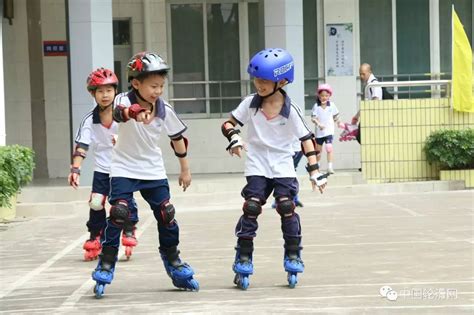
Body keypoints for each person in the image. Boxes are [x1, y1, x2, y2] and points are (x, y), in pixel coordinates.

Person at [91, 52, 199, 298]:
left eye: (161, 86)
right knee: (119, 212)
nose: (158, 91)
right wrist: (135, 112)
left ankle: (173, 260)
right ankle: (106, 262)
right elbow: (119, 113)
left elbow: (177, 138)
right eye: (153, 86)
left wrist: (185, 168)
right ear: (136, 82)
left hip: (152, 169)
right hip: (123, 168)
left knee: (166, 214)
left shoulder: (164, 109)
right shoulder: (122, 99)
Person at [221, 48, 328, 290]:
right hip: (257, 163)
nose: (258, 84)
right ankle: (243, 257)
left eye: (264, 80)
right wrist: (234, 137)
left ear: (281, 81)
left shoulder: (291, 110)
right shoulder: (250, 104)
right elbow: (228, 123)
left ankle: (292, 254)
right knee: (251, 207)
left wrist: (314, 171)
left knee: (286, 207)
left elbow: (306, 139)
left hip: (282, 164)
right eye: (257, 79)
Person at [68, 68, 119, 261]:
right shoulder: (89, 120)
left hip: (124, 168)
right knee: (96, 203)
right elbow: (82, 146)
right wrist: (75, 169)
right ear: (93, 93)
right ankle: (96, 236)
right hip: (102, 170)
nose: (105, 95)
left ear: (115, 91)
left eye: (108, 90)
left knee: (121, 205)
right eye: (100, 91)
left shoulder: (124, 115)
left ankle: (129, 229)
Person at [311, 83, 343, 174]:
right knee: (318, 151)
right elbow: (313, 118)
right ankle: (317, 167)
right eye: (322, 96)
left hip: (329, 131)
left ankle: (330, 167)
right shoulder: (316, 106)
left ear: (329, 96)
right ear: (319, 96)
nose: (324, 97)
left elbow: (336, 116)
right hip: (319, 133)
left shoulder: (331, 105)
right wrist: (319, 124)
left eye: (326, 95)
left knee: (329, 148)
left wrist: (339, 122)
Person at [352, 63, 382, 144]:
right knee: (361, 137)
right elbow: (366, 103)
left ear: (369, 72)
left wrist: (369, 116)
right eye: (360, 74)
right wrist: (357, 116)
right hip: (369, 117)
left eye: (363, 74)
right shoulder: (369, 85)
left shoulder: (374, 84)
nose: (361, 76)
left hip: (373, 118)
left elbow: (376, 100)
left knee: (362, 137)